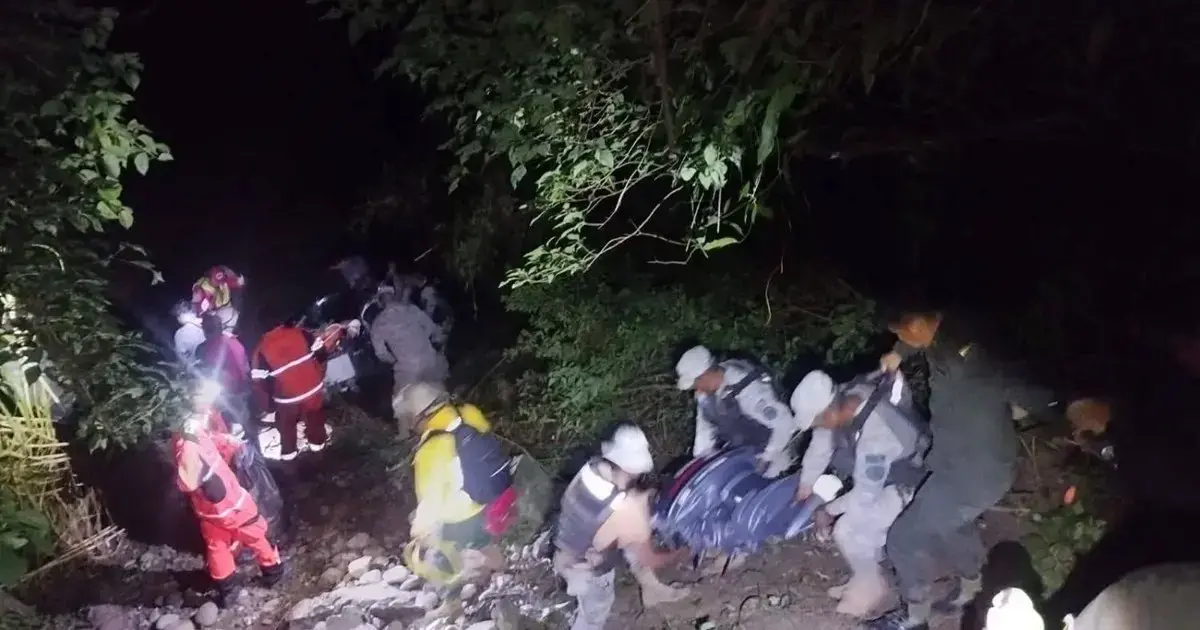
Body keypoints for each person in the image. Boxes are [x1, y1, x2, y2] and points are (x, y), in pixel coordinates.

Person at [866, 310, 1109, 630]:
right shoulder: (939, 338)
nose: (902, 339)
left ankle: (914, 619)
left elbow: (1036, 393)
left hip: (975, 474)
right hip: (954, 462)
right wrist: (898, 353)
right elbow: (913, 342)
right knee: (952, 522)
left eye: (903, 333)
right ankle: (972, 585)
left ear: (920, 325)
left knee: (904, 537)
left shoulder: (981, 363)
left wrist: (1080, 415)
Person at [790, 369, 930, 618]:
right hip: (884, 484)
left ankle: (872, 586)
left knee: (848, 529)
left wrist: (827, 510)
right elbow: (820, 445)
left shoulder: (875, 434)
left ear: (830, 412)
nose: (816, 428)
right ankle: (865, 575)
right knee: (856, 526)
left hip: (911, 486)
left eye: (816, 421)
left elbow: (865, 497)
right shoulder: (841, 400)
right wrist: (805, 486)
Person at [553, 424, 692, 630]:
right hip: (585, 566)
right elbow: (650, 558)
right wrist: (681, 552)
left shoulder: (593, 468)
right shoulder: (624, 507)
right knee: (595, 613)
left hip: (568, 543)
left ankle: (652, 591)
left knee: (631, 545)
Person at [396, 382, 517, 594]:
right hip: (501, 493)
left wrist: (419, 532)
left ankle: (452, 601)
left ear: (417, 417)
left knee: (432, 545)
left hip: (472, 518)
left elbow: (429, 503)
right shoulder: (470, 412)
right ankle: (500, 563)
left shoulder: (429, 449)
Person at [173, 383, 287, 606]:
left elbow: (207, 443)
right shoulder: (188, 438)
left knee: (217, 546)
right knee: (256, 531)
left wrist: (228, 442)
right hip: (228, 502)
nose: (210, 406)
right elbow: (187, 479)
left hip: (208, 510)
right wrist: (207, 479)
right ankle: (273, 571)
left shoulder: (189, 428)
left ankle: (228, 590)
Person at [251, 319, 360, 462]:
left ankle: (290, 460)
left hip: (287, 398)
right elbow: (320, 353)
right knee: (315, 420)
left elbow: (260, 380)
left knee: (287, 426)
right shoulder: (301, 333)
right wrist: (316, 373)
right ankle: (320, 452)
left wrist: (270, 403)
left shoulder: (261, 349)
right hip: (311, 389)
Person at [370, 286, 448, 392]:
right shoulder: (411, 309)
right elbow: (430, 326)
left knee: (411, 401)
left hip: (408, 370)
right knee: (443, 390)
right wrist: (422, 340)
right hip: (429, 358)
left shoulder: (377, 324)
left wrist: (395, 360)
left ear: (380, 303)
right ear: (394, 296)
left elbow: (381, 353)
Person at [196, 313, 252, 432]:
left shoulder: (220, 346)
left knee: (238, 422)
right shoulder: (231, 342)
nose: (205, 333)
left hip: (232, 391)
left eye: (206, 330)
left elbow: (241, 367)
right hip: (227, 391)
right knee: (234, 423)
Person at [191, 265, 246, 332]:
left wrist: (238, 282)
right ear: (210, 278)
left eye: (220, 281)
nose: (218, 283)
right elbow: (201, 312)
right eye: (215, 281)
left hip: (227, 309)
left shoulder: (223, 281)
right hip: (215, 315)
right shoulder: (204, 291)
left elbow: (230, 282)